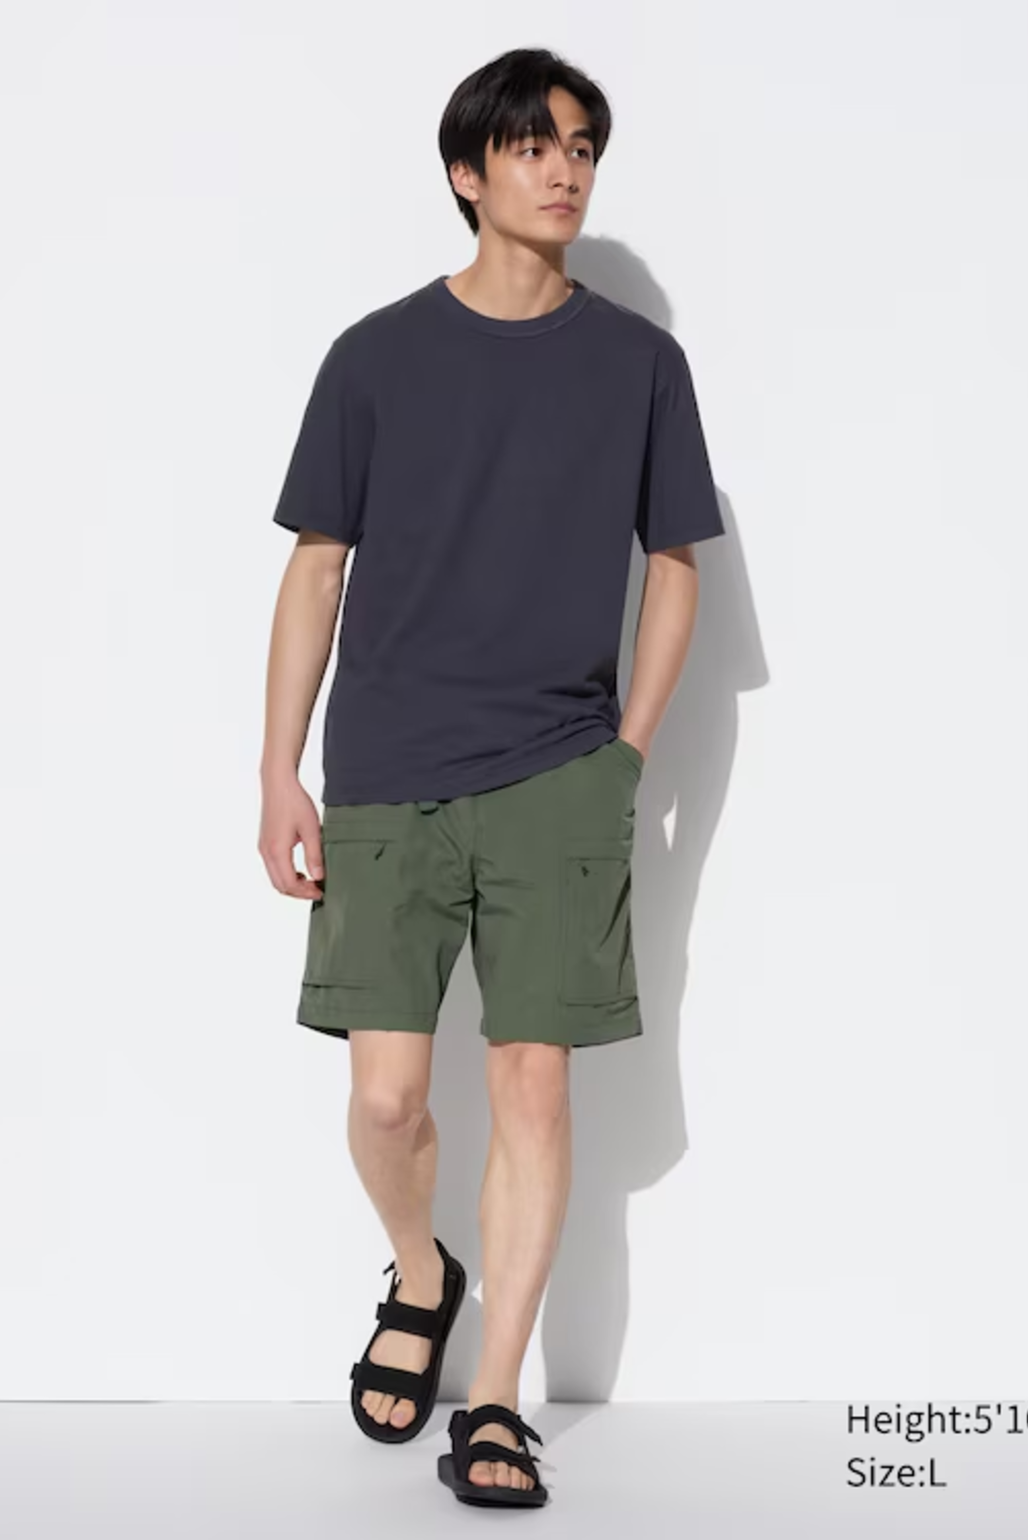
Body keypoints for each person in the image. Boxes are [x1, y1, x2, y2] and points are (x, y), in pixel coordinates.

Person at [258, 46, 725, 1510]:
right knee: (388, 1098)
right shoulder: (374, 356)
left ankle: (498, 1397)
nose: (564, 169)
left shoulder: (639, 366)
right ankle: (421, 1272)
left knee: (532, 1087)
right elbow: (316, 568)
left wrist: (626, 754)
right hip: (389, 768)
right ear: (469, 175)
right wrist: (277, 770)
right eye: (533, 146)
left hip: (557, 774)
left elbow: (675, 565)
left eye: (582, 146)